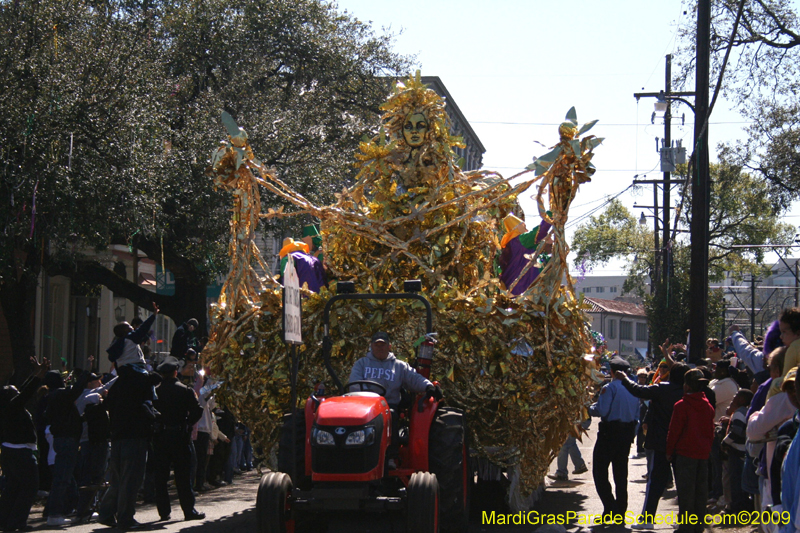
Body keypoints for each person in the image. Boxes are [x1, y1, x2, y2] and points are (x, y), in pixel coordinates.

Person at [348, 331, 442, 468]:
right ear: (371, 346)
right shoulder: (361, 364)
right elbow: (354, 384)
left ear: (389, 346)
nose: (380, 348)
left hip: (388, 405)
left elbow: (414, 378)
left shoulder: (398, 366)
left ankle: (391, 457)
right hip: (364, 405)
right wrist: (363, 398)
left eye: (383, 345)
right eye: (377, 345)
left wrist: (428, 386)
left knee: (391, 415)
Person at [617, 357, 689, 529]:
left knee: (656, 482)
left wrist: (624, 378)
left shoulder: (662, 389)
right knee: (683, 484)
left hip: (660, 440)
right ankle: (685, 521)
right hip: (681, 442)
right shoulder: (688, 393)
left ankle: (648, 519)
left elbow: (639, 390)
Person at [0, 357, 50, 532]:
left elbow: (23, 390)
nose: (17, 390)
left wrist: (36, 372)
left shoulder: (9, 406)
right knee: (29, 487)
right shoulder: (13, 406)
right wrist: (40, 374)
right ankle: (17, 522)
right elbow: (27, 392)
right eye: (15, 390)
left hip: (10, 451)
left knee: (13, 487)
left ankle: (5, 521)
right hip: (21, 452)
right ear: (11, 395)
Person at [152, 357, 205, 522]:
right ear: (176, 372)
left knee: (161, 476)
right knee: (183, 476)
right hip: (180, 436)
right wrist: (188, 424)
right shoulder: (185, 390)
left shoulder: (156, 391)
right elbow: (197, 410)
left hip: (161, 437)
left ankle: (163, 511)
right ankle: (188, 510)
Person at [589, 356, 639, 523]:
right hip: (626, 434)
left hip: (609, 434)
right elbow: (637, 416)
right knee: (620, 474)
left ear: (612, 371)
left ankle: (610, 507)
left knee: (600, 472)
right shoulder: (634, 389)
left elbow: (602, 411)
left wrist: (587, 408)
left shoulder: (609, 388)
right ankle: (620, 511)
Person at [666, 369, 715, 533]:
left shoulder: (681, 406)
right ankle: (698, 525)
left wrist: (669, 450)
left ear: (686, 386)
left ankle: (686, 526)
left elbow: (674, 431)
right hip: (702, 454)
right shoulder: (708, 406)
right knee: (701, 492)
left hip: (685, 455)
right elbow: (710, 432)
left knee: (686, 492)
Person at [498, 212, 552, 295]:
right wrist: (550, 214)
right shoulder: (520, 240)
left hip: (514, 291)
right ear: (518, 228)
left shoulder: (514, 247)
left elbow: (542, 261)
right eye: (524, 226)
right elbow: (538, 232)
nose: (526, 229)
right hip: (522, 291)